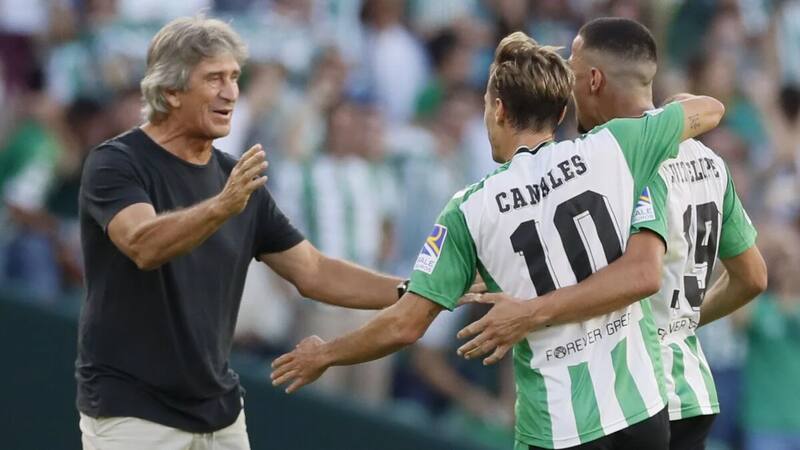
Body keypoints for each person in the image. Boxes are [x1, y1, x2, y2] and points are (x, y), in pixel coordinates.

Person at [271, 31, 726, 450]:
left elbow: (405, 325)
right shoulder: (616, 145)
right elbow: (709, 109)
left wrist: (326, 353)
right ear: (562, 113)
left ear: (499, 110)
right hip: (641, 411)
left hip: (558, 424)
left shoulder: (469, 209)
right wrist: (672, 109)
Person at [76, 16, 412, 450]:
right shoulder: (117, 163)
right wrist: (221, 207)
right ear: (170, 90)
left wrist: (420, 291)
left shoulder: (235, 178)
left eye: (235, 77)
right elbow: (142, 244)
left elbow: (313, 271)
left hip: (219, 414)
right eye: (214, 78)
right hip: (132, 413)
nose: (231, 92)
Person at [562, 18, 767, 450]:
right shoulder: (710, 161)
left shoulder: (618, 162)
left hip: (635, 396)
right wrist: (686, 319)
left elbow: (636, 276)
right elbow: (752, 277)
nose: (570, 89)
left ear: (594, 80)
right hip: (692, 388)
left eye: (574, 74)